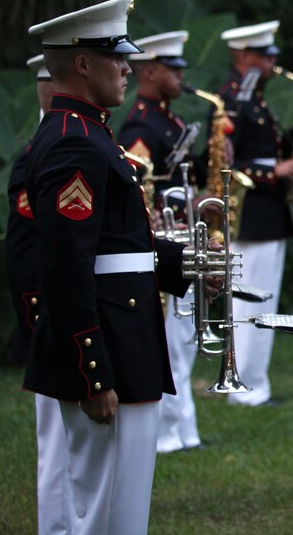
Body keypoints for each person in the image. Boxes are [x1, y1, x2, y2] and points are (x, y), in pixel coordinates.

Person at [23, 0, 193, 534]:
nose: (127, 67)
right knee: (105, 513)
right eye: (116, 57)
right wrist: (91, 373)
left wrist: (184, 263)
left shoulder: (92, 134)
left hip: (128, 340)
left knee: (122, 510)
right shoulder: (74, 143)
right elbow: (67, 266)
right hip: (109, 351)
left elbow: (117, 247)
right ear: (81, 63)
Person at [117, 30, 204, 453]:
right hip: (163, 238)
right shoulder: (140, 123)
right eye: (172, 67)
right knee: (171, 341)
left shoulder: (168, 119)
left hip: (181, 234)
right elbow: (137, 187)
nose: (181, 74)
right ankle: (171, 432)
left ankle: (184, 428)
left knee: (182, 340)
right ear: (148, 71)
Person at [218, 21, 293, 406]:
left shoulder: (254, 99)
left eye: (272, 55)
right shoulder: (233, 100)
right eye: (263, 55)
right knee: (250, 300)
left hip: (267, 213)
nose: (271, 62)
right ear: (242, 56)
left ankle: (256, 382)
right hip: (250, 214)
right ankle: (245, 386)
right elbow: (225, 162)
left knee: (262, 301)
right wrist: (274, 171)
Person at [5, 53, 73, 535]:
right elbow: (28, 254)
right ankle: (55, 528)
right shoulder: (38, 154)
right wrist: (39, 322)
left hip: (69, 311)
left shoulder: (65, 142)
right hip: (49, 313)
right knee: (56, 440)